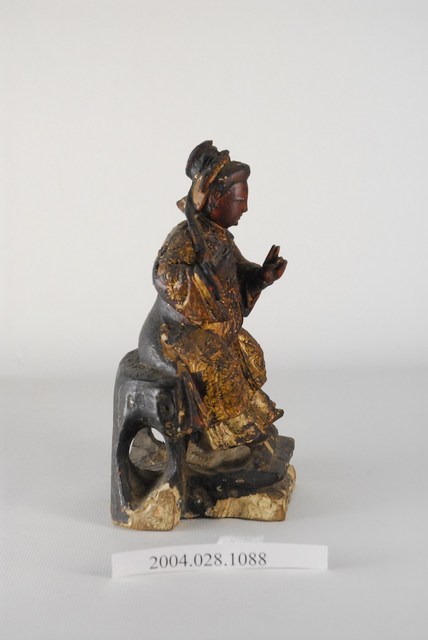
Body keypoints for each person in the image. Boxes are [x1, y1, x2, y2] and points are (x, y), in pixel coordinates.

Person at [138, 141, 286, 451]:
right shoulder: (186, 236)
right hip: (171, 335)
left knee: (249, 353)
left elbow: (238, 274)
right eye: (240, 200)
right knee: (218, 362)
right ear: (216, 198)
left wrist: (261, 277)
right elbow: (163, 276)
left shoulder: (220, 238)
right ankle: (215, 441)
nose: (245, 208)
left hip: (211, 331)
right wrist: (202, 275)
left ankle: (244, 426)